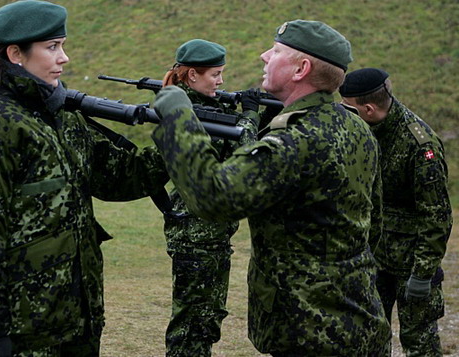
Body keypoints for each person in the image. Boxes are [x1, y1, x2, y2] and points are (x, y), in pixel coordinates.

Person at [151, 20, 391, 356]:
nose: (265, 56)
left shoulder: (294, 141)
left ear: (300, 69)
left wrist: (177, 117)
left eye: (276, 52)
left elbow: (213, 197)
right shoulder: (354, 125)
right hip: (357, 315)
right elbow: (373, 223)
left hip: (310, 330)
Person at [0, 0, 169, 357]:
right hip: (28, 328)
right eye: (52, 47)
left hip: (80, 317)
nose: (64, 57)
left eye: (62, 45)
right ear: (16, 54)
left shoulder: (64, 117)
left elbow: (122, 178)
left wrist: (179, 139)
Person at [339, 68, 453, 356]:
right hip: (375, 258)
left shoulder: (420, 145)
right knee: (369, 340)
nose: (343, 114)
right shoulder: (361, 131)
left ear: (367, 109)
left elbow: (436, 216)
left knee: (420, 344)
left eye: (348, 108)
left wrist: (423, 275)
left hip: (411, 263)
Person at [160, 39, 260, 357]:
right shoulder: (187, 113)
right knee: (190, 328)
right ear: (192, 76)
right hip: (195, 235)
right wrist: (251, 117)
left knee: (207, 320)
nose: (220, 81)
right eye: (215, 75)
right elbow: (242, 157)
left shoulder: (209, 108)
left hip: (211, 234)